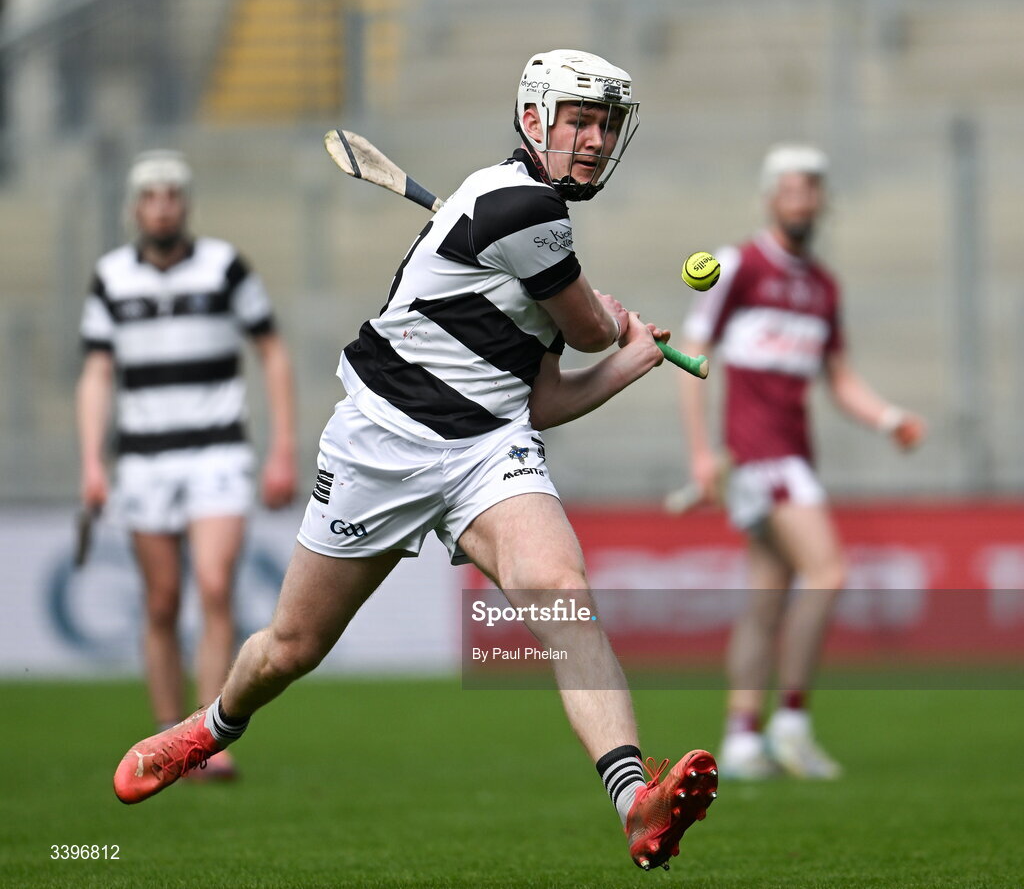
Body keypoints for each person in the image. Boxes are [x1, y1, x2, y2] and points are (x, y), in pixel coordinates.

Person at [111, 51, 718, 870]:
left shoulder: (536, 226)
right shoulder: (517, 208)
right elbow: (582, 329)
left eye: (607, 124)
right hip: (381, 443)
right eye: (580, 119)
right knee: (291, 647)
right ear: (535, 120)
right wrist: (609, 326)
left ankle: (634, 803)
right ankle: (207, 728)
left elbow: (539, 400)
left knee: (564, 596)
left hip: (486, 450)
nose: (597, 138)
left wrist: (629, 361)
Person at [677, 144, 926, 780]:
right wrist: (702, 453)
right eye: (790, 189)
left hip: (792, 455)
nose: (802, 200)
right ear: (771, 197)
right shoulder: (739, 265)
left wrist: (889, 418)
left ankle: (738, 740)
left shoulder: (822, 287)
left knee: (767, 598)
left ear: (821, 201)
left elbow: (839, 380)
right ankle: (789, 723)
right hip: (762, 458)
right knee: (829, 571)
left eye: (811, 189)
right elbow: (691, 358)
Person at [78, 150, 298, 780]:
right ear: (135, 207)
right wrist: (92, 462)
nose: (163, 206)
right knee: (161, 602)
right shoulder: (112, 277)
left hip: (218, 451)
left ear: (186, 203)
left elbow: (272, 353)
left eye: (173, 195)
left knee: (212, 587)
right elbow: (96, 373)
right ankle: (163, 743)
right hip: (144, 459)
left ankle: (206, 739)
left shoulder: (225, 267)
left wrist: (282, 446)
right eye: (151, 196)